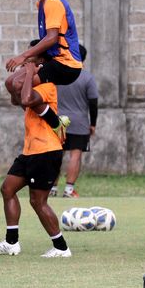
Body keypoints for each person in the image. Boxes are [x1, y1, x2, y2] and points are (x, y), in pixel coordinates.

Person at [0, 41, 71, 258]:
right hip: (30, 151)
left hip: (46, 151)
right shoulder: (32, 84)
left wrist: (28, 73)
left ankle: (61, 247)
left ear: (42, 62)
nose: (26, 63)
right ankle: (11, 242)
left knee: (37, 201)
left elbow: (25, 98)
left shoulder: (46, 87)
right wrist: (25, 70)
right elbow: (15, 94)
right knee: (7, 189)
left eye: (32, 59)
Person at [4, 0, 80, 141]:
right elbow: (49, 40)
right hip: (53, 60)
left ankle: (55, 124)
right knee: (10, 83)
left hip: (66, 64)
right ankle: (43, 118)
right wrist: (34, 57)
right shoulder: (42, 4)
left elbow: (52, 38)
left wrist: (25, 55)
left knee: (19, 85)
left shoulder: (53, 2)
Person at [50, 44, 98, 198]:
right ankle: (69, 190)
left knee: (57, 155)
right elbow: (93, 103)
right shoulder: (87, 77)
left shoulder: (58, 75)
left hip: (58, 121)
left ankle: (52, 188)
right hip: (80, 122)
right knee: (75, 155)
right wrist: (93, 124)